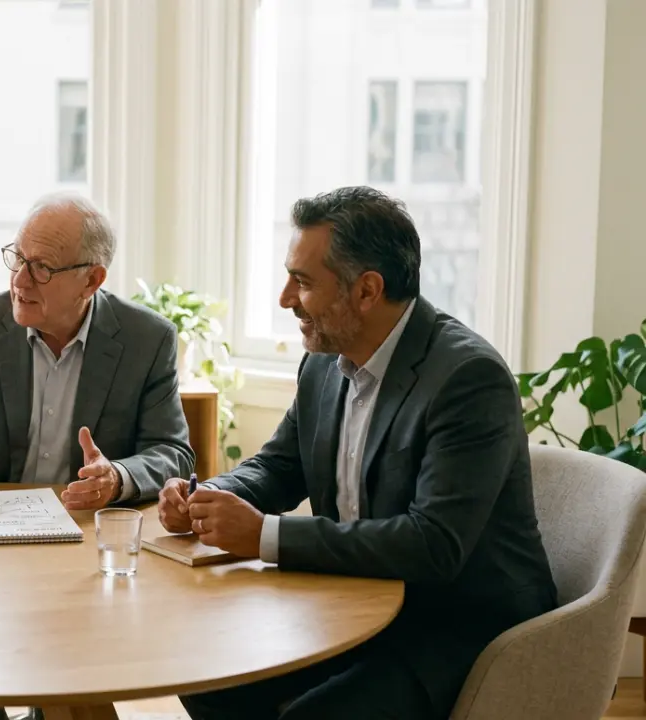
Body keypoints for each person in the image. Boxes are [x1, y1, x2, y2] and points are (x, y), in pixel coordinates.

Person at [159, 186, 557, 719]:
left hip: (455, 626)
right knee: (209, 677)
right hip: (355, 603)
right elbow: (280, 466)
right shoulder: (324, 361)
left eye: (303, 282)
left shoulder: (467, 378)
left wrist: (262, 535)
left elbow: (433, 544)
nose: (284, 299)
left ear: (367, 290)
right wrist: (207, 496)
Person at [0, 193, 194, 720]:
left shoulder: (147, 339)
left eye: (42, 267)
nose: (20, 279)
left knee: (70, 677)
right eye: (17, 258)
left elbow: (173, 451)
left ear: (92, 280)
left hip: (83, 551)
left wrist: (118, 476)